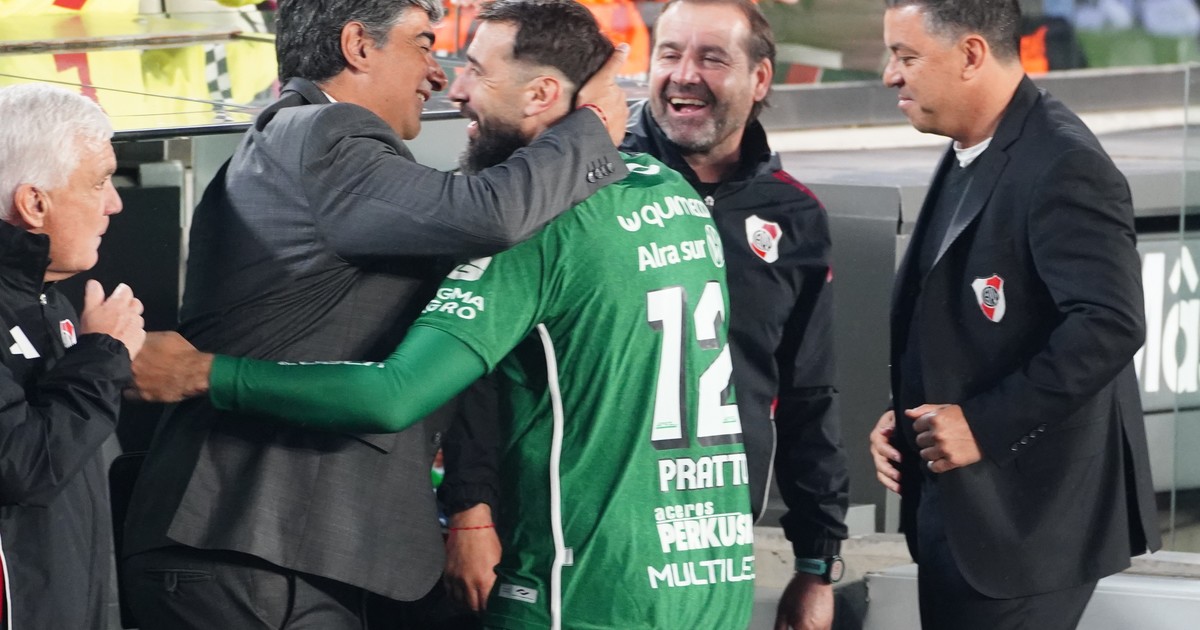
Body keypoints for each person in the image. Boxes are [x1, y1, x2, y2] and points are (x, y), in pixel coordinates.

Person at [131, 1, 756, 628]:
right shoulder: (317, 133)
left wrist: (206, 372)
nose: (445, 81)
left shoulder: (533, 218)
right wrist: (590, 127)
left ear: (540, 92)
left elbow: (420, 371)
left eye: (471, 68)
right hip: (246, 542)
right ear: (358, 46)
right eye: (426, 45)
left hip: (291, 550)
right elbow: (486, 215)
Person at [441, 1, 849, 628]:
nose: (684, 75)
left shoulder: (793, 216)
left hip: (707, 555)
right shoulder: (574, 176)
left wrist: (817, 561)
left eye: (711, 58)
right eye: (669, 53)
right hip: (565, 544)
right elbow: (480, 361)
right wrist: (471, 507)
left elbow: (807, 394)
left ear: (760, 78)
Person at [868, 1, 1159, 628]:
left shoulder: (1064, 161)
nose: (890, 75)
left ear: (971, 54)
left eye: (906, 56)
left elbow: (1109, 324)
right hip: (968, 519)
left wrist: (983, 423)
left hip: (1027, 532)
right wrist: (909, 409)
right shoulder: (976, 143)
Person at [0, 83, 146, 630]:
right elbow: (23, 465)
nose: (115, 203)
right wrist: (104, 355)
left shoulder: (49, 300)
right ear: (34, 203)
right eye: (99, 182)